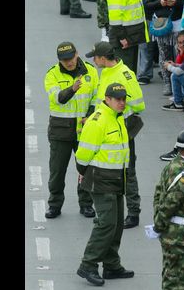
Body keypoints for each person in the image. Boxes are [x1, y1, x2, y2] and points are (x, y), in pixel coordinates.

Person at [74, 83, 134, 286]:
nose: (122, 102)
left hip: (116, 178)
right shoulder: (97, 120)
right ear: (107, 99)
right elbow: (83, 154)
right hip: (100, 179)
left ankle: (111, 265)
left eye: (124, 98)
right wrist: (82, 173)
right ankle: (88, 264)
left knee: (116, 225)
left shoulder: (117, 118)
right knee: (106, 223)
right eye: (118, 99)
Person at [86, 41, 146, 229]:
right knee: (105, 168)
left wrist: (118, 111)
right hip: (104, 127)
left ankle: (133, 212)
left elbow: (138, 104)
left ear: (103, 58)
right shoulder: (106, 72)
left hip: (121, 128)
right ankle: (109, 212)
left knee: (127, 170)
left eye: (95, 57)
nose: (93, 61)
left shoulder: (124, 74)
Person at [43, 41, 99, 218]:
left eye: (71, 58)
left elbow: (97, 98)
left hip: (85, 130)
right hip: (60, 130)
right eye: (64, 60)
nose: (69, 62)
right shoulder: (52, 74)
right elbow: (58, 98)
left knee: (86, 169)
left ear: (77, 54)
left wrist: (90, 114)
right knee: (57, 171)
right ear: (59, 60)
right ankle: (54, 204)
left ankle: (86, 204)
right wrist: (72, 89)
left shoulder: (90, 71)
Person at [154, 129, 184, 290]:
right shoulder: (183, 174)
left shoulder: (172, 166)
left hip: (170, 232)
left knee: (169, 275)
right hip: (178, 235)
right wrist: (159, 225)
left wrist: (158, 223)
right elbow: (170, 203)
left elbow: (158, 194)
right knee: (176, 281)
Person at [145, 0, 184, 96]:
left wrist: (177, 2)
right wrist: (160, 3)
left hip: (177, 22)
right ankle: (167, 83)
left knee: (179, 53)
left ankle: (178, 83)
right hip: (161, 24)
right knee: (164, 54)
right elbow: (147, 4)